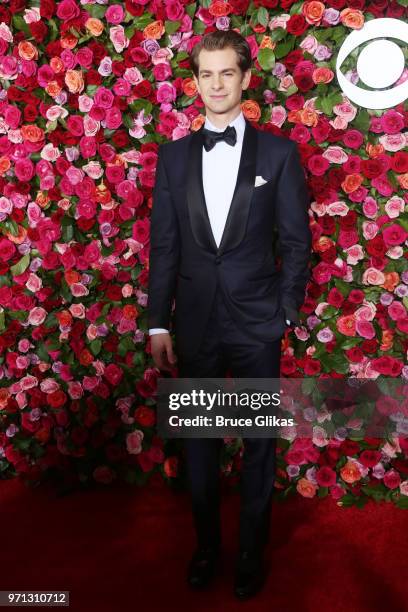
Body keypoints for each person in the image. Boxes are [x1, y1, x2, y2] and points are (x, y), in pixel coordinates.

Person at [147, 30, 312, 600]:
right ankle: (206, 547)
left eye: (226, 73)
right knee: (199, 442)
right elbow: (164, 247)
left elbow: (296, 242)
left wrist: (285, 313)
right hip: (193, 324)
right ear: (195, 83)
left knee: (260, 441)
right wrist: (159, 323)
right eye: (206, 75)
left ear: (245, 79)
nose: (216, 85)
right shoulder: (171, 158)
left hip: (258, 323)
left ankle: (249, 551)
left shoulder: (279, 154)